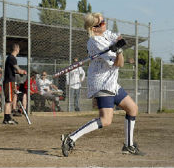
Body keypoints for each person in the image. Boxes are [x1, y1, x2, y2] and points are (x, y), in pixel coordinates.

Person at [61, 12, 144, 157]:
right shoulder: (95, 42)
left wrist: (118, 43)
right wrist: (118, 52)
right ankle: (71, 138)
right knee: (106, 120)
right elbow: (120, 63)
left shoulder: (105, 34)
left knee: (132, 108)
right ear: (94, 28)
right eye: (101, 24)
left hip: (111, 82)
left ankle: (128, 145)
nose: (104, 25)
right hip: (101, 83)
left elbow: (117, 37)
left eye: (104, 22)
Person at [2, 43, 27, 124]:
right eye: (18, 49)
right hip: (9, 81)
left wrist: (20, 72)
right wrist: (22, 71)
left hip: (10, 81)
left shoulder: (10, 58)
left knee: (10, 100)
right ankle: (6, 118)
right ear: (16, 49)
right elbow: (18, 69)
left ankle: (8, 117)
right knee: (8, 101)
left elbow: (15, 70)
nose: (19, 50)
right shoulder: (12, 58)